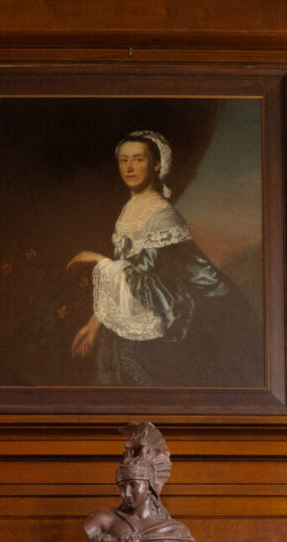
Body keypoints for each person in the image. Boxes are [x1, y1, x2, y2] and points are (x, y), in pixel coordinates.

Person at [66, 130, 263, 387]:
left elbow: (141, 275)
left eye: (138, 159)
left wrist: (98, 259)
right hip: (156, 299)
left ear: (156, 164)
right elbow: (126, 279)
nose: (130, 167)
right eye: (123, 160)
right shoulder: (131, 208)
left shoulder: (162, 215)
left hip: (198, 309)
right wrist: (93, 325)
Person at [82, 422, 195, 542]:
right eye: (121, 487)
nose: (125, 493)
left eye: (133, 485)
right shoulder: (100, 521)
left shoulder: (177, 531)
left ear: (149, 487)